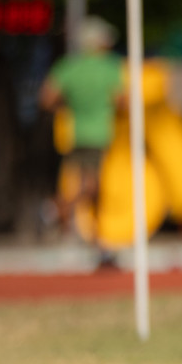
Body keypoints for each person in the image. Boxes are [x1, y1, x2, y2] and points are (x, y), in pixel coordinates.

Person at [40, 16, 124, 261]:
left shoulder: (69, 66)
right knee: (92, 187)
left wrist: (67, 105)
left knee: (89, 188)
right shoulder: (109, 67)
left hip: (76, 133)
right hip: (99, 135)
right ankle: (57, 209)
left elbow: (46, 98)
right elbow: (122, 101)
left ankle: (90, 238)